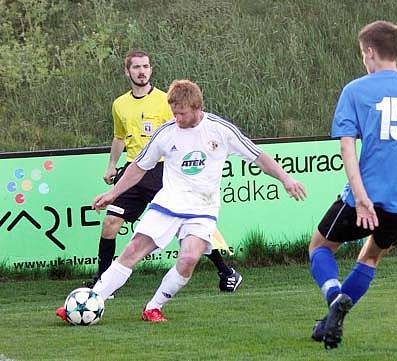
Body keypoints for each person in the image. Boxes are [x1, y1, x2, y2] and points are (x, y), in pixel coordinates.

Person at [61, 79, 307, 322]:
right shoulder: (166, 133)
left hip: (203, 209)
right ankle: (91, 300)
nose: (176, 118)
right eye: (174, 113)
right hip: (168, 204)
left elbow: (258, 157)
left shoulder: (220, 130)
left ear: (197, 107)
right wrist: (112, 194)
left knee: (188, 259)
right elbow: (138, 167)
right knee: (132, 251)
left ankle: (153, 307)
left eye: (181, 113)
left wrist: (285, 179)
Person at [309, 20, 397, 349]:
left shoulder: (356, 90)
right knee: (370, 258)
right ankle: (334, 316)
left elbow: (347, 147)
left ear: (370, 52)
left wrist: (360, 198)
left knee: (319, 247)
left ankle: (334, 298)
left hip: (366, 197)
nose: (363, 60)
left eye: (363, 54)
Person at [84, 50, 242, 295]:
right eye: (136, 67)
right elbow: (119, 136)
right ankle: (103, 282)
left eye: (145, 66)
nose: (141, 71)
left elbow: (188, 127)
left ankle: (226, 270)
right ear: (127, 71)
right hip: (135, 168)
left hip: (164, 171)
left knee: (189, 226)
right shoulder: (119, 104)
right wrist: (111, 164)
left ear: (151, 69)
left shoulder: (165, 100)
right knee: (110, 223)